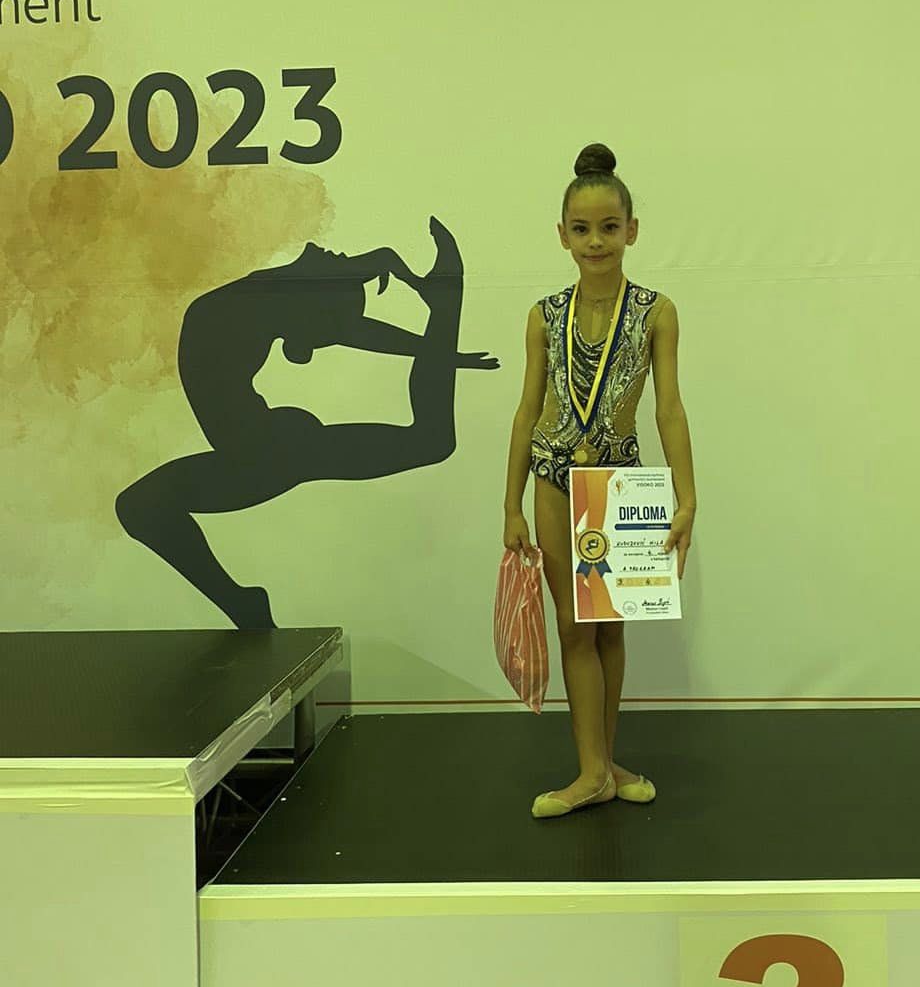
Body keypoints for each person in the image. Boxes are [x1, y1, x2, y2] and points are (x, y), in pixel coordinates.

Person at [116, 219, 498, 628]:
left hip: (268, 452)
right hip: (261, 450)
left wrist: (439, 344)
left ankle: (445, 304)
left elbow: (348, 325)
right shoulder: (259, 302)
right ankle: (242, 604)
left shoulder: (259, 302)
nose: (320, 251)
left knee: (432, 440)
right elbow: (346, 323)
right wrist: (438, 344)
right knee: (431, 441)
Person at [503, 144, 696, 818]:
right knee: (572, 625)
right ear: (562, 235)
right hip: (554, 480)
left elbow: (669, 409)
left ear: (631, 230)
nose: (596, 241)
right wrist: (510, 505)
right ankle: (591, 770)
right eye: (582, 229)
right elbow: (527, 410)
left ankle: (603, 765)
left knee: (611, 629)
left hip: (618, 487)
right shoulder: (544, 315)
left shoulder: (655, 312)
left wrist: (688, 498)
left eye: (609, 227)